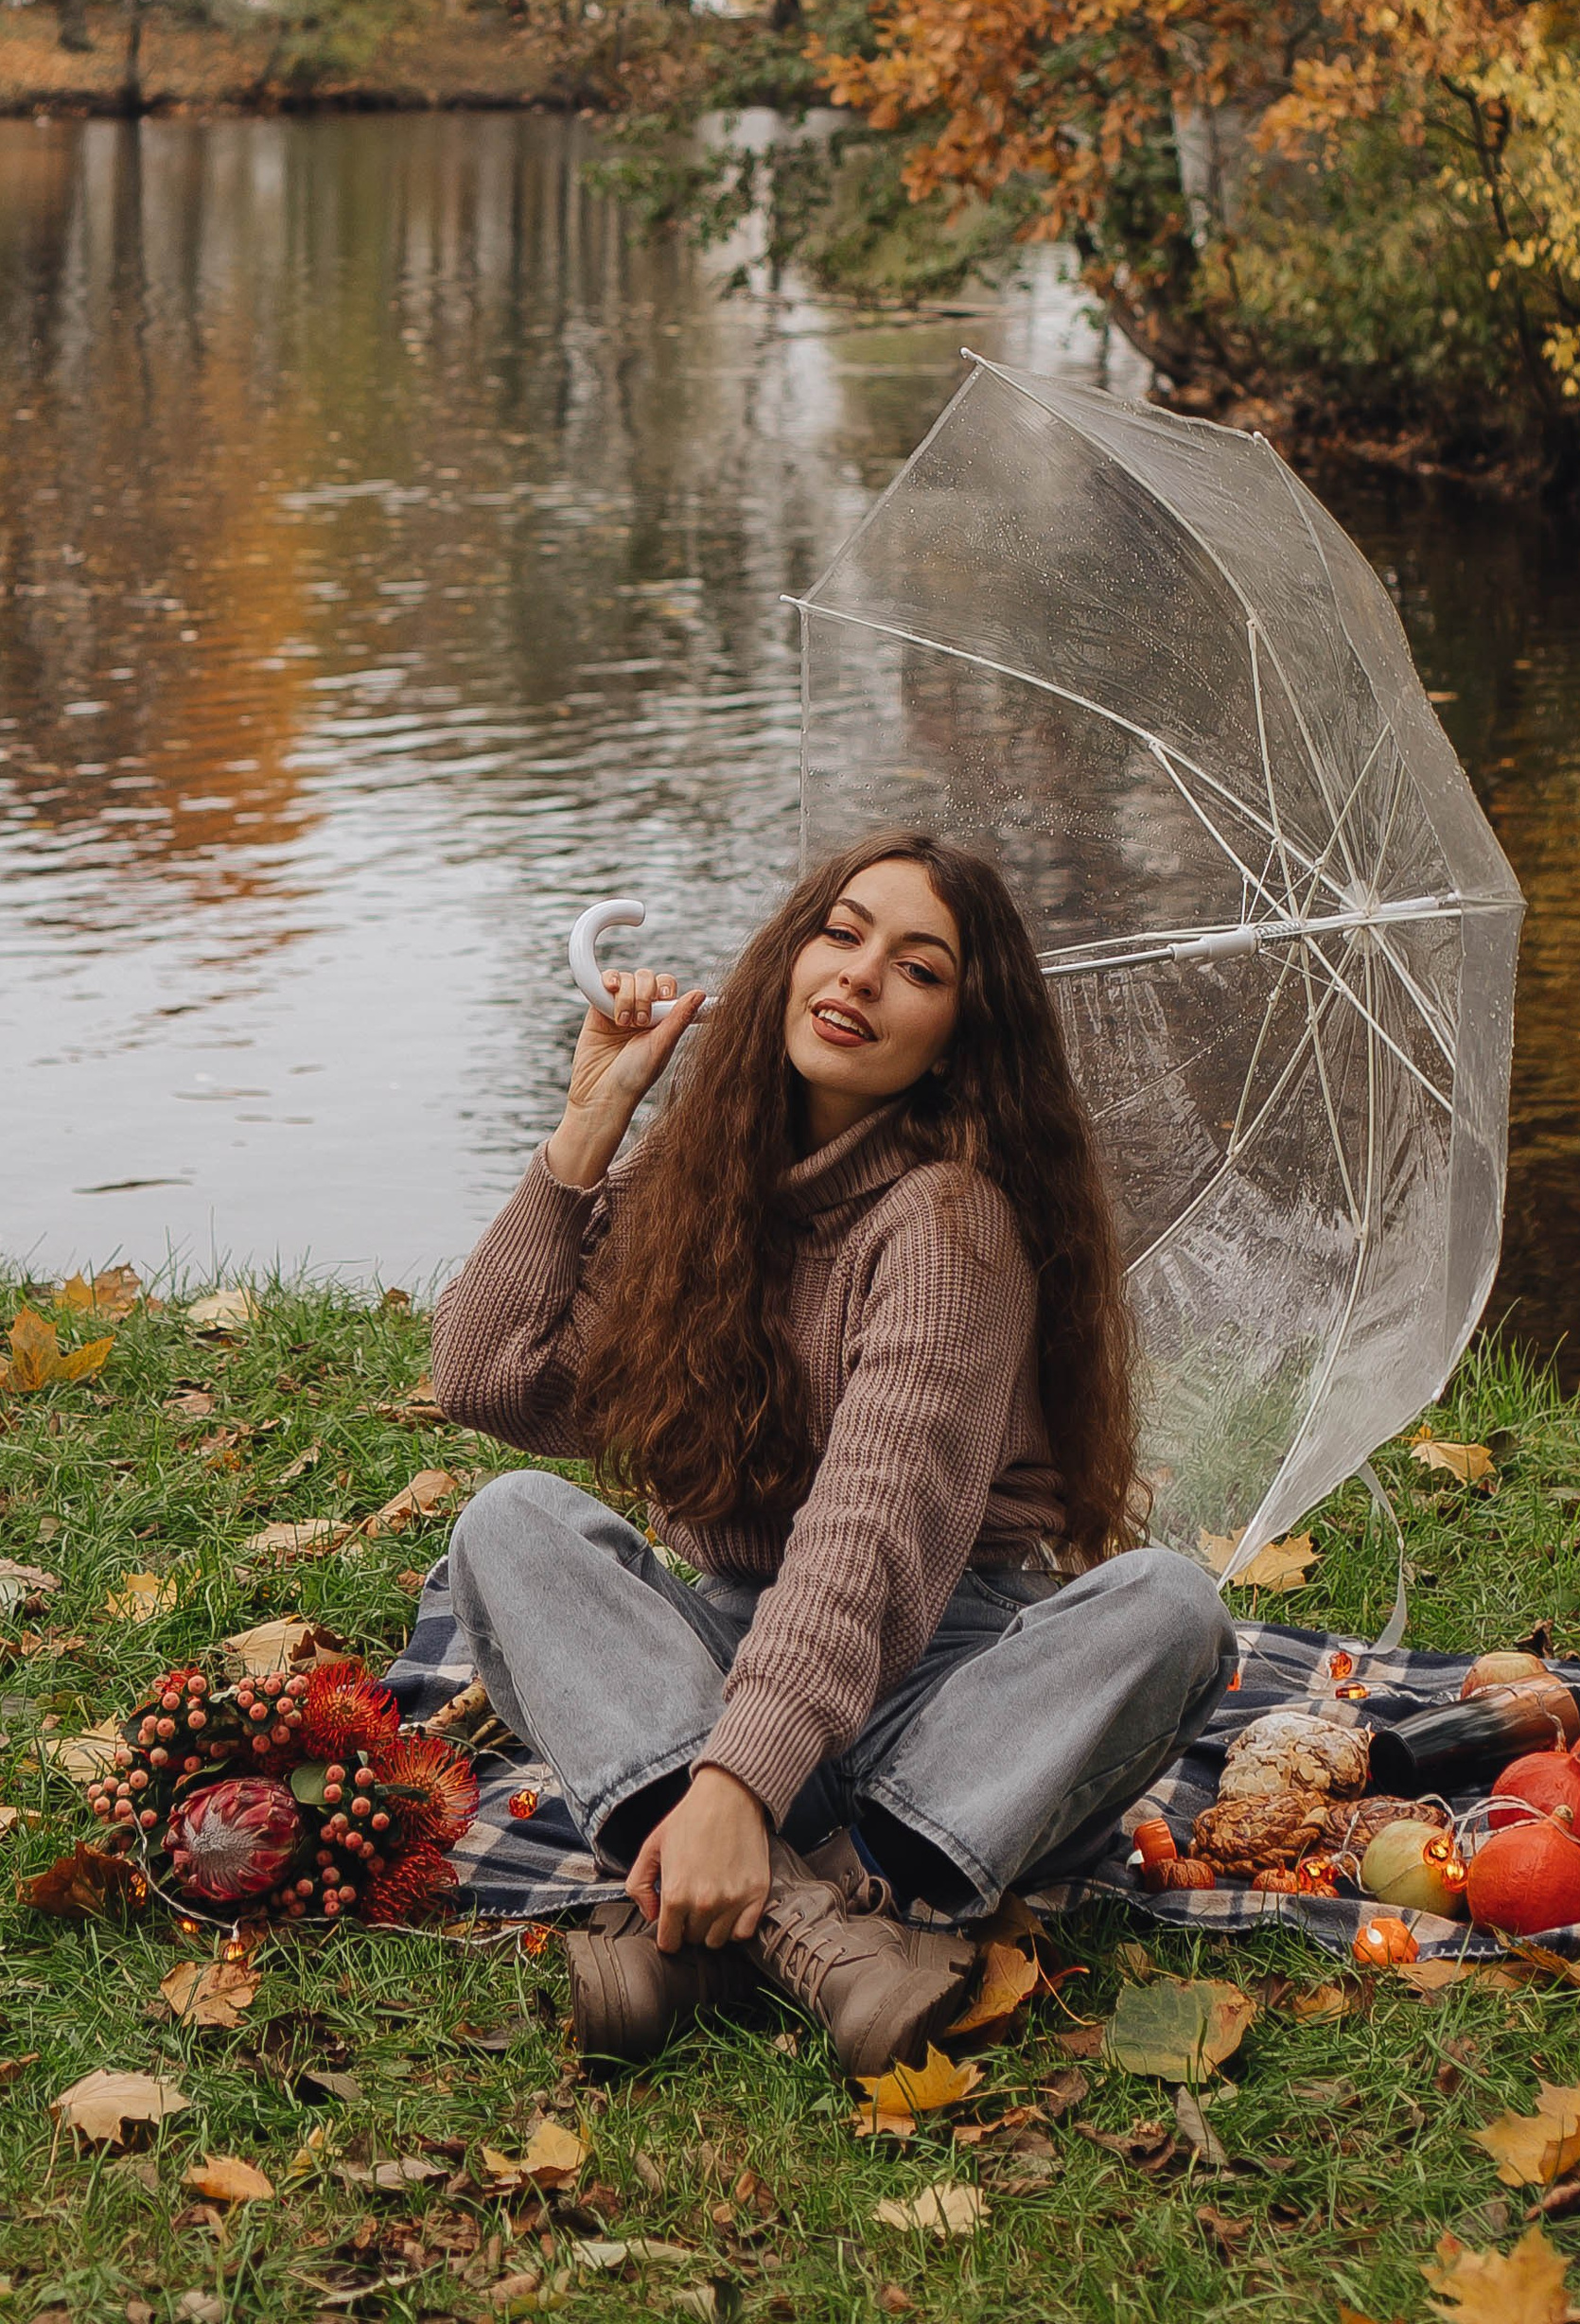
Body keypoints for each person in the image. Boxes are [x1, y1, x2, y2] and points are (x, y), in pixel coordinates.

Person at [430, 829, 1230, 2071]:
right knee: (510, 1524)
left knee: (1169, 1610)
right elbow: (490, 1380)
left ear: (960, 1037)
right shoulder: (697, 1181)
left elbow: (863, 1543)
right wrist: (593, 1119)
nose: (859, 976)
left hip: (938, 1700)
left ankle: (740, 1903)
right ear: (789, 960)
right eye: (842, 934)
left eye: (918, 968)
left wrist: (733, 1790)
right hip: (725, 1661)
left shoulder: (950, 1223)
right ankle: (817, 1928)